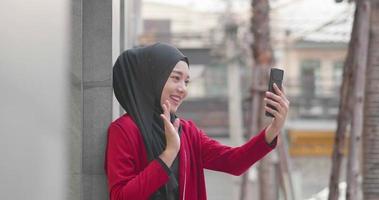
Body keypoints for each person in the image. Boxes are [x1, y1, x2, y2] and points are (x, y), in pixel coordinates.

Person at [105, 42, 289, 200]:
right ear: (152, 79)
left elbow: (234, 162)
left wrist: (273, 128)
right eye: (176, 78)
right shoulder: (124, 130)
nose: (183, 89)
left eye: (186, 82)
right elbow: (121, 196)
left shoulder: (187, 132)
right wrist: (169, 154)